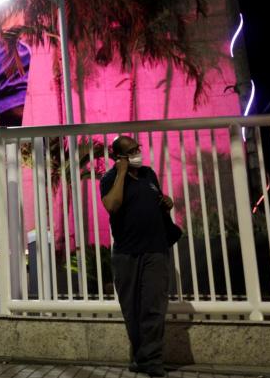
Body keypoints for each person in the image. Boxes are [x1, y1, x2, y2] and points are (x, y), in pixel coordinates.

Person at [100, 136, 175, 377]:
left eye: (137, 149)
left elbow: (157, 200)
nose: (137, 154)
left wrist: (167, 202)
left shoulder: (148, 174)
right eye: (130, 151)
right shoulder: (110, 179)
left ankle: (152, 360)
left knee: (153, 306)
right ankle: (140, 357)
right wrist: (121, 174)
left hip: (155, 249)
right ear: (118, 157)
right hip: (127, 253)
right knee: (132, 309)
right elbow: (112, 205)